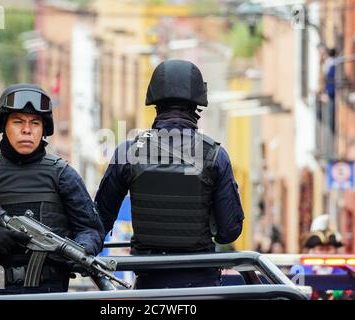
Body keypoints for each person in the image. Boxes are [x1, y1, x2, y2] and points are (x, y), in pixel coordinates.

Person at [0, 84, 104, 295]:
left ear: (43, 129)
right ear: (3, 125)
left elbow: (91, 230)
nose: (27, 130)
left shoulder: (63, 175)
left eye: (35, 123)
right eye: (18, 122)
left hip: (48, 294)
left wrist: (72, 250)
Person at [95, 59, 245, 289]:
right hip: (202, 286)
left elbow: (98, 221)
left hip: (149, 286)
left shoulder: (128, 152)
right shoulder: (215, 156)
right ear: (197, 104)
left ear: (155, 102)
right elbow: (229, 231)